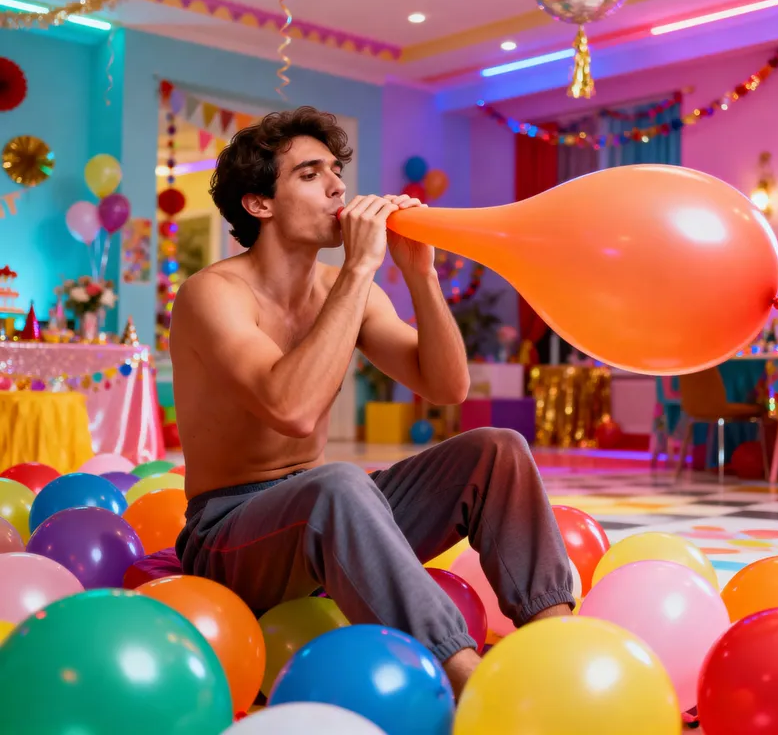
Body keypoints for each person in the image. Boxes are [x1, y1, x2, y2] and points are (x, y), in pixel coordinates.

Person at [170, 106, 574, 700]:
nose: (338, 187)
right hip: (229, 533)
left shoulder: (340, 287)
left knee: (499, 450)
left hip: (330, 516)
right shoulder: (212, 294)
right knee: (337, 483)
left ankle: (557, 646)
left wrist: (420, 275)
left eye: (336, 171)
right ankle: (468, 684)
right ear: (259, 204)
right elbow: (292, 410)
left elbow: (448, 387)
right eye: (310, 174)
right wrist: (361, 266)